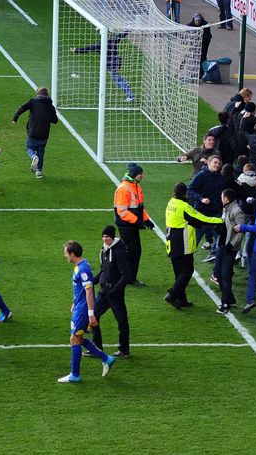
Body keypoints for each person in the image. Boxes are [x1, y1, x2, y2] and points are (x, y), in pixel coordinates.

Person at [59, 240, 118, 383]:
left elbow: (90, 291)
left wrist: (91, 314)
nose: (64, 256)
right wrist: (75, 301)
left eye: (66, 253)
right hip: (80, 307)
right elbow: (82, 289)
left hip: (83, 310)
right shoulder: (79, 266)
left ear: (73, 254)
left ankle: (75, 375)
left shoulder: (83, 269)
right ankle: (106, 359)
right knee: (78, 338)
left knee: (74, 339)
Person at [164, 181, 223, 309]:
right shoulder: (183, 206)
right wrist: (220, 220)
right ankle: (172, 295)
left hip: (171, 241)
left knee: (179, 273)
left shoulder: (171, 203)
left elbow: (189, 220)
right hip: (182, 243)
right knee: (187, 270)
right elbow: (201, 218)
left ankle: (181, 299)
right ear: (184, 193)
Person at [92, 225, 132, 356]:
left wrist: (116, 290)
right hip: (104, 292)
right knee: (93, 317)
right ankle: (97, 348)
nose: (105, 239)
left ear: (112, 237)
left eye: (107, 237)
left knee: (122, 321)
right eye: (103, 236)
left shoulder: (118, 252)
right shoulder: (104, 250)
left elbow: (126, 274)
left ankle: (124, 349)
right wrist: (92, 281)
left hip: (115, 294)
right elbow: (103, 270)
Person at [114, 163, 156, 286]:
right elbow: (122, 211)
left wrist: (146, 220)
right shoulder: (124, 188)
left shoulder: (136, 186)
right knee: (132, 251)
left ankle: (128, 276)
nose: (142, 176)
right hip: (125, 225)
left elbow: (140, 207)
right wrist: (137, 221)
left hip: (131, 225)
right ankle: (124, 275)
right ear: (134, 175)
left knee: (134, 251)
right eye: (140, 174)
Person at [70, 34, 135, 102]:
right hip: (118, 62)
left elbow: (87, 49)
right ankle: (125, 82)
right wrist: (127, 31)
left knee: (116, 79)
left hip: (111, 64)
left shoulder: (99, 45)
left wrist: (76, 50)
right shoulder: (113, 40)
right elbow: (120, 35)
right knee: (116, 76)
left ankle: (130, 95)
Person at [12, 87, 59, 178]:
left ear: (38, 94)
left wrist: (15, 118)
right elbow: (55, 120)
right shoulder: (50, 106)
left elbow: (22, 108)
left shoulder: (33, 102)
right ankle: (39, 172)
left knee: (29, 147)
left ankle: (33, 156)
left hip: (33, 131)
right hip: (44, 133)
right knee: (41, 151)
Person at [217, 188, 248, 313]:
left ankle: (225, 304)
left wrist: (231, 245)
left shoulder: (237, 211)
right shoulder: (226, 209)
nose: (221, 199)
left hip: (229, 249)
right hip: (222, 246)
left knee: (225, 276)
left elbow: (241, 231)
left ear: (226, 199)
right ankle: (230, 299)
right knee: (219, 275)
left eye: (222, 197)